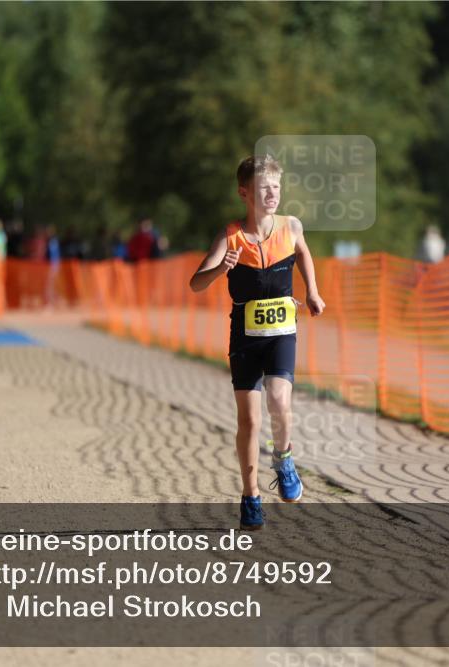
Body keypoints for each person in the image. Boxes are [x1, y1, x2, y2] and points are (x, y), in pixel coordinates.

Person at [189, 155, 326, 530]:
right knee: (248, 419)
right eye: (264, 188)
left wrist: (312, 292)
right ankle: (250, 496)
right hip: (245, 336)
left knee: (280, 399)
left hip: (282, 331)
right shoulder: (230, 236)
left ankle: (283, 459)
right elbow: (196, 283)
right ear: (244, 193)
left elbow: (303, 252)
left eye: (277, 187)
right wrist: (222, 268)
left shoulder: (290, 226)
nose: (272, 194)